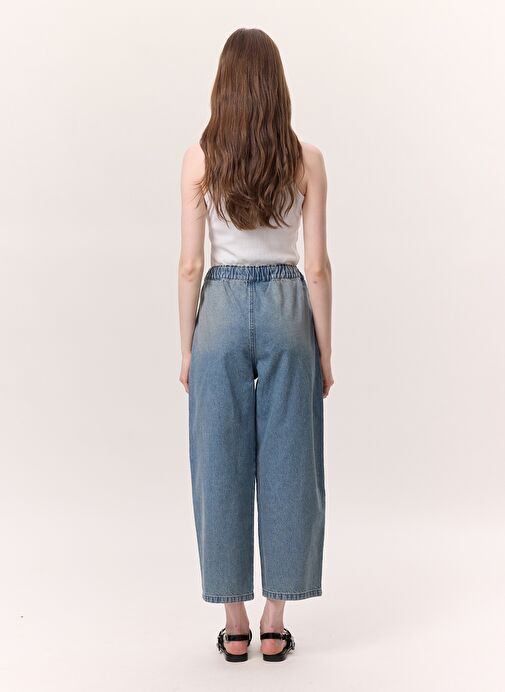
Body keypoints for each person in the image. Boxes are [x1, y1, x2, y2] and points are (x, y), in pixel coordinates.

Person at [178, 27, 333, 663]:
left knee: (217, 458)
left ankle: (234, 623)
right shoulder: (306, 159)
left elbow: (190, 265)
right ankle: (275, 622)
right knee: (292, 458)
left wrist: (186, 347)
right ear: (277, 88)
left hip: (218, 308)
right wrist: (325, 350)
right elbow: (316, 265)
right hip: (288, 307)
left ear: (224, 87)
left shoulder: (200, 158)